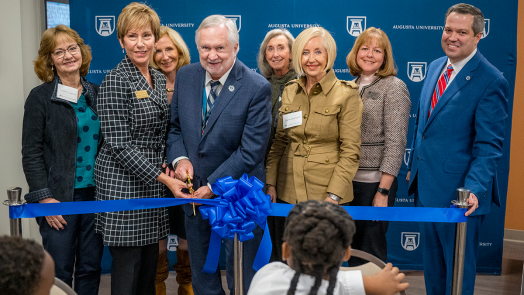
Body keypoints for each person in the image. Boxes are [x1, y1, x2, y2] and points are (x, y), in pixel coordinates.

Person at [406, 3, 509, 294]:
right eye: (448, 29)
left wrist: (474, 188)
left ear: (478, 36)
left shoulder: (491, 81)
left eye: (462, 32)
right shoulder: (436, 66)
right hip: (426, 187)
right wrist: (415, 168)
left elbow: (489, 146)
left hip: (460, 196)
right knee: (434, 271)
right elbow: (424, 127)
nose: (452, 37)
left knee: (458, 275)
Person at [166, 14, 271, 295]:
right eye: (205, 47)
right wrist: (180, 160)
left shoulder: (257, 87)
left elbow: (251, 150)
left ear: (235, 48)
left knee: (243, 279)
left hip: (238, 199)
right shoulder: (186, 76)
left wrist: (212, 186)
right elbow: (175, 129)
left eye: (220, 48)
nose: (212, 55)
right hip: (193, 196)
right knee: (202, 277)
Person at [95, 3, 191, 294]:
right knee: (127, 278)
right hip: (122, 189)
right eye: (132, 36)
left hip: (152, 188)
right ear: (121, 40)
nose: (140, 44)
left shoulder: (159, 77)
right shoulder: (115, 80)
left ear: (155, 38)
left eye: (147, 36)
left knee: (149, 274)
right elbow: (119, 145)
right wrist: (165, 179)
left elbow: (163, 132)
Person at [21, 24, 103, 295]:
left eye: (72, 48)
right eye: (59, 52)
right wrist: (44, 198)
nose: (68, 55)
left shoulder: (97, 93)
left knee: (91, 267)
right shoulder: (40, 98)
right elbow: (31, 152)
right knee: (60, 269)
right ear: (50, 60)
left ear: (82, 52)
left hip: (96, 196)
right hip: (58, 199)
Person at [266, 26, 363, 205]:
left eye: (318, 52)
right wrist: (270, 183)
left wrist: (334, 195)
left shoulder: (346, 94)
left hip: (327, 196)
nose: (311, 59)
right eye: (305, 53)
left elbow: (350, 152)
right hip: (287, 192)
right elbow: (279, 142)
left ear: (329, 55)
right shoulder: (290, 91)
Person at [345, 27, 411, 265]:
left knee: (370, 253)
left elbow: (396, 141)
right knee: (350, 251)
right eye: (365, 48)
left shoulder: (393, 86)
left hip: (375, 184)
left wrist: (383, 191)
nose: (370, 55)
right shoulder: (348, 86)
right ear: (356, 52)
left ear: (385, 57)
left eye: (377, 50)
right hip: (346, 183)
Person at [247, 200, 409, 295]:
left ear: (285, 250)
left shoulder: (267, 275)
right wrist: (372, 283)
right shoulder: (339, 289)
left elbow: (309, 281)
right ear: (346, 254)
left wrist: (367, 283)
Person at [150, 26, 193, 295]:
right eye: (158, 51)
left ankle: (186, 285)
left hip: (186, 170)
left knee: (187, 235)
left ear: (180, 51)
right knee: (158, 237)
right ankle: (158, 286)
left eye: (169, 49)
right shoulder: (146, 83)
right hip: (154, 173)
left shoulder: (194, 82)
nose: (164, 56)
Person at [257, 28, 297, 263]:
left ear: (292, 54)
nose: (275, 53)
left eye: (281, 47)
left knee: (290, 233)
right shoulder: (259, 85)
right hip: (263, 170)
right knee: (268, 234)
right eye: (270, 49)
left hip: (293, 169)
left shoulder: (303, 84)